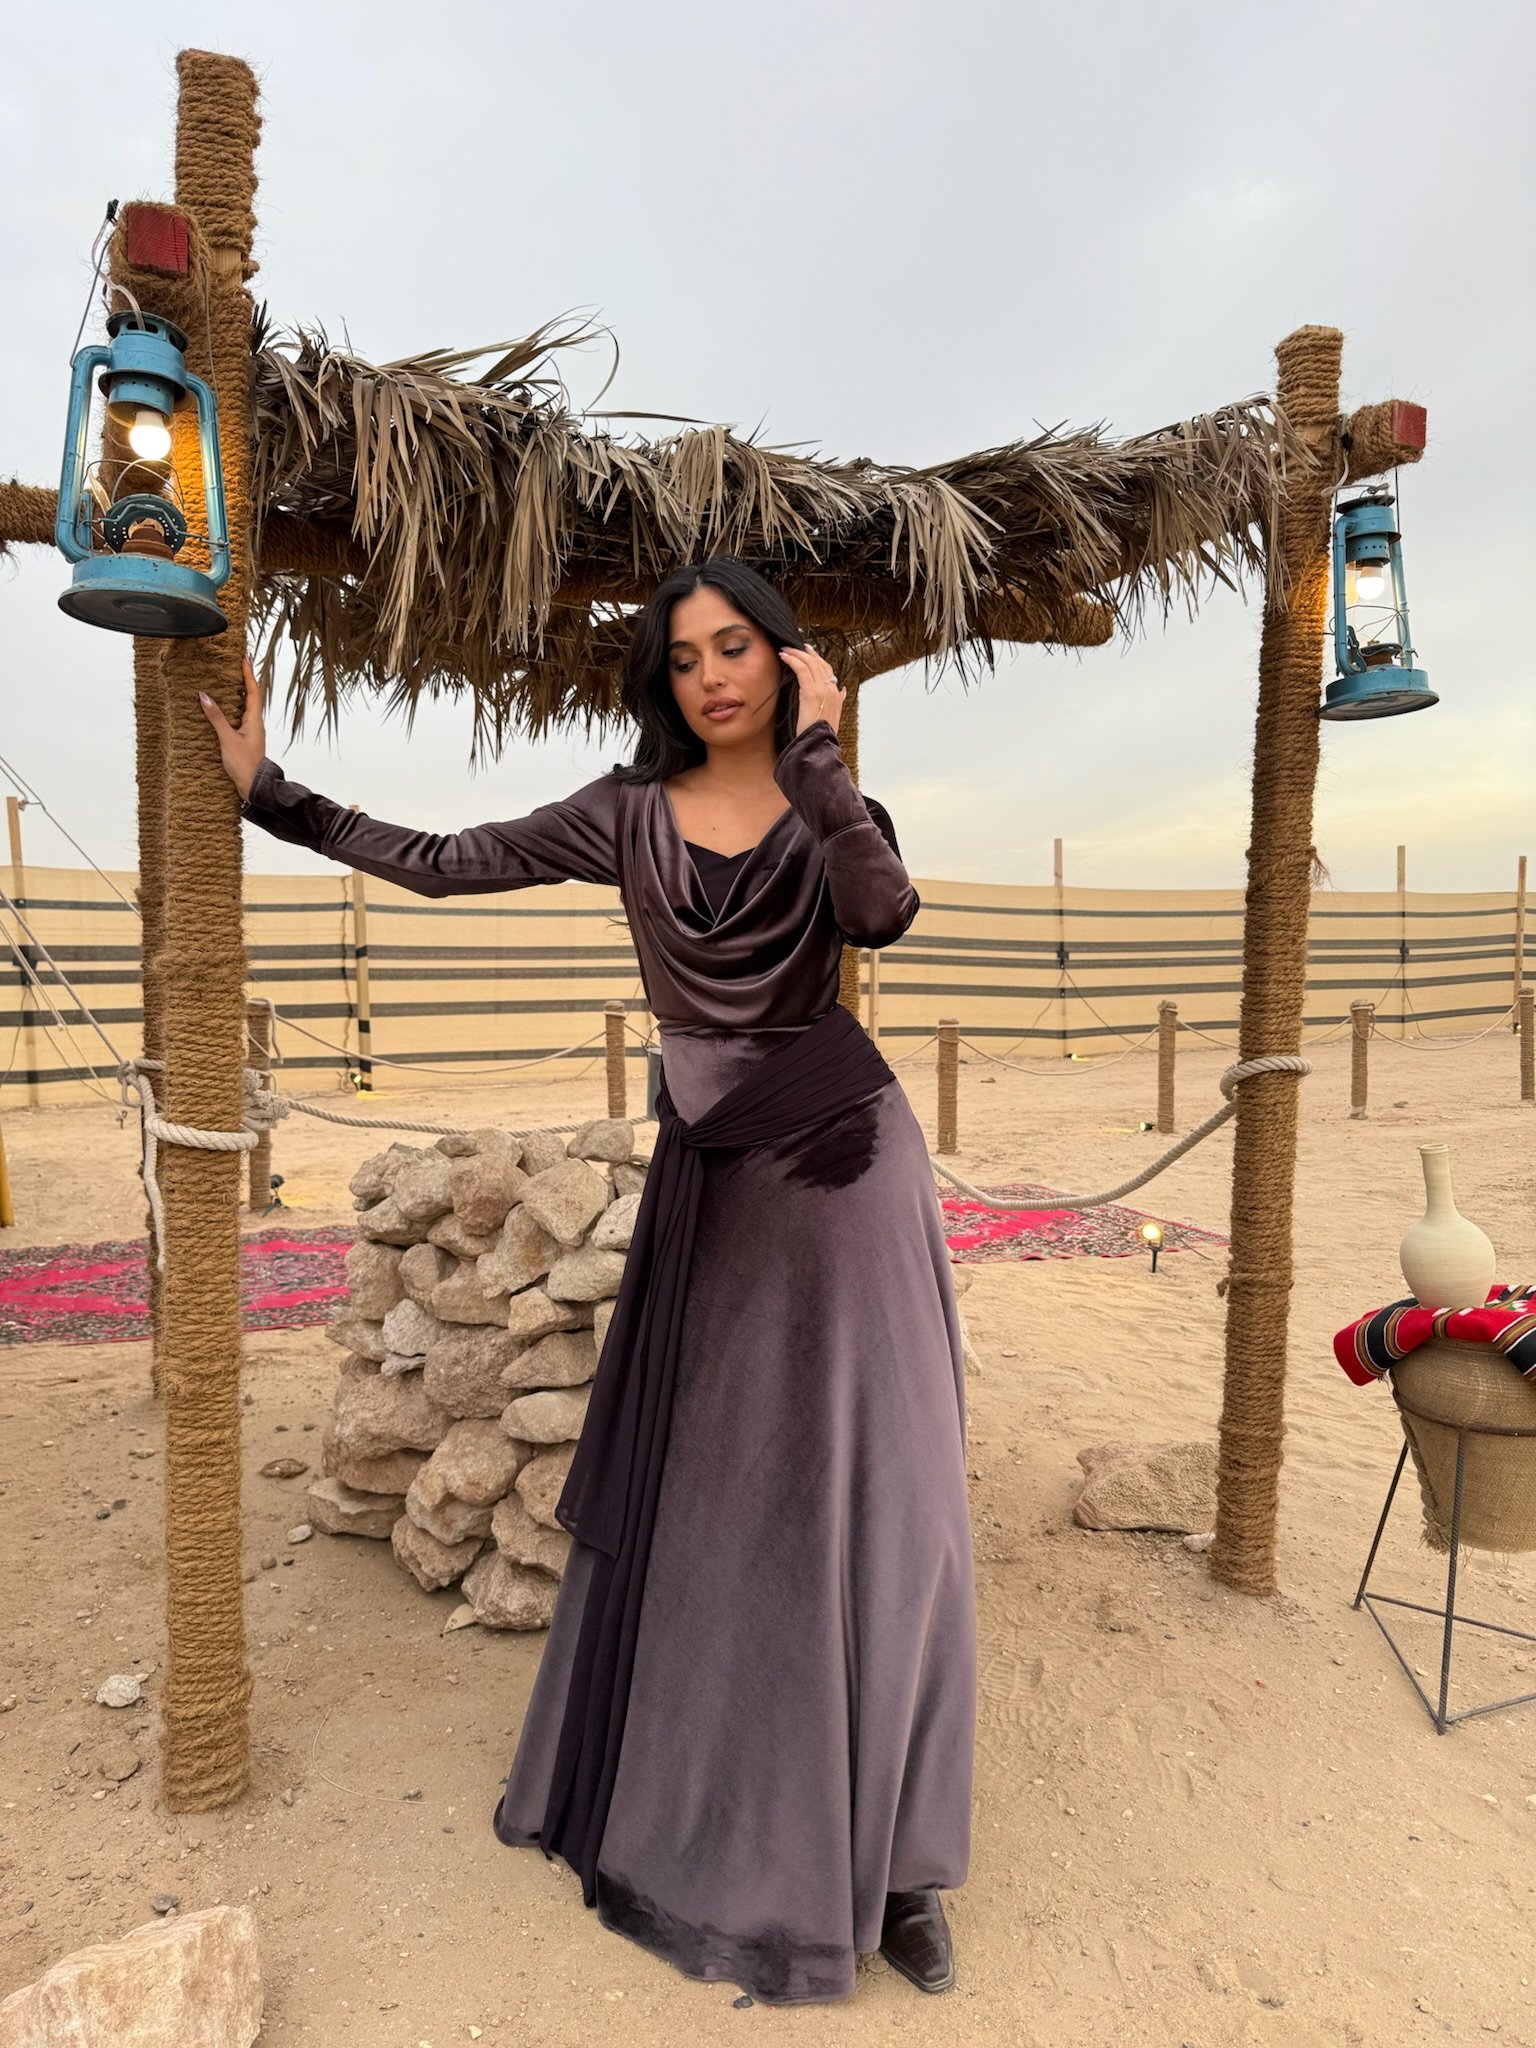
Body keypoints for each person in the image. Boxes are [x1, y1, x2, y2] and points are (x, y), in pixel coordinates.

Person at [205, 557, 976, 2006]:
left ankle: (901, 1864)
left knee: (893, 1497)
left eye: (735, 646)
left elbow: (883, 917)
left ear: (783, 657)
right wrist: (270, 792)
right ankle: (738, 1812)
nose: (711, 677)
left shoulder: (830, 803)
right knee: (734, 1499)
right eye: (683, 657)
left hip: (849, 1168)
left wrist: (822, 751)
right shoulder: (625, 814)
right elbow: (442, 860)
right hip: (723, 1187)